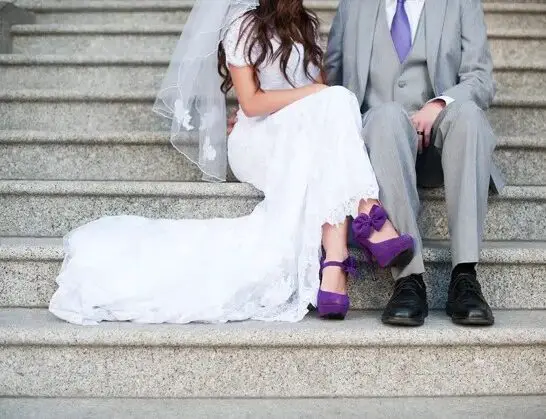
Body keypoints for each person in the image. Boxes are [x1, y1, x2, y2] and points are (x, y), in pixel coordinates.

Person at [48, 0, 415, 325]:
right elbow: (252, 103)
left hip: (300, 133)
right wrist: (317, 92)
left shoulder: (304, 22)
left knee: (332, 111)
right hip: (256, 138)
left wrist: (320, 94)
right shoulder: (243, 24)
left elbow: (321, 106)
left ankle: (335, 263)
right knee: (334, 100)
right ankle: (367, 216)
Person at [324, 0, 504, 326]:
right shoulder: (353, 6)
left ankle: (465, 277)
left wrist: (439, 103)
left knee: (470, 117)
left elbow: (480, 79)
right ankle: (408, 279)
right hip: (380, 147)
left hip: (443, 148)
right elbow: (328, 81)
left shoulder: (460, 4)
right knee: (385, 117)